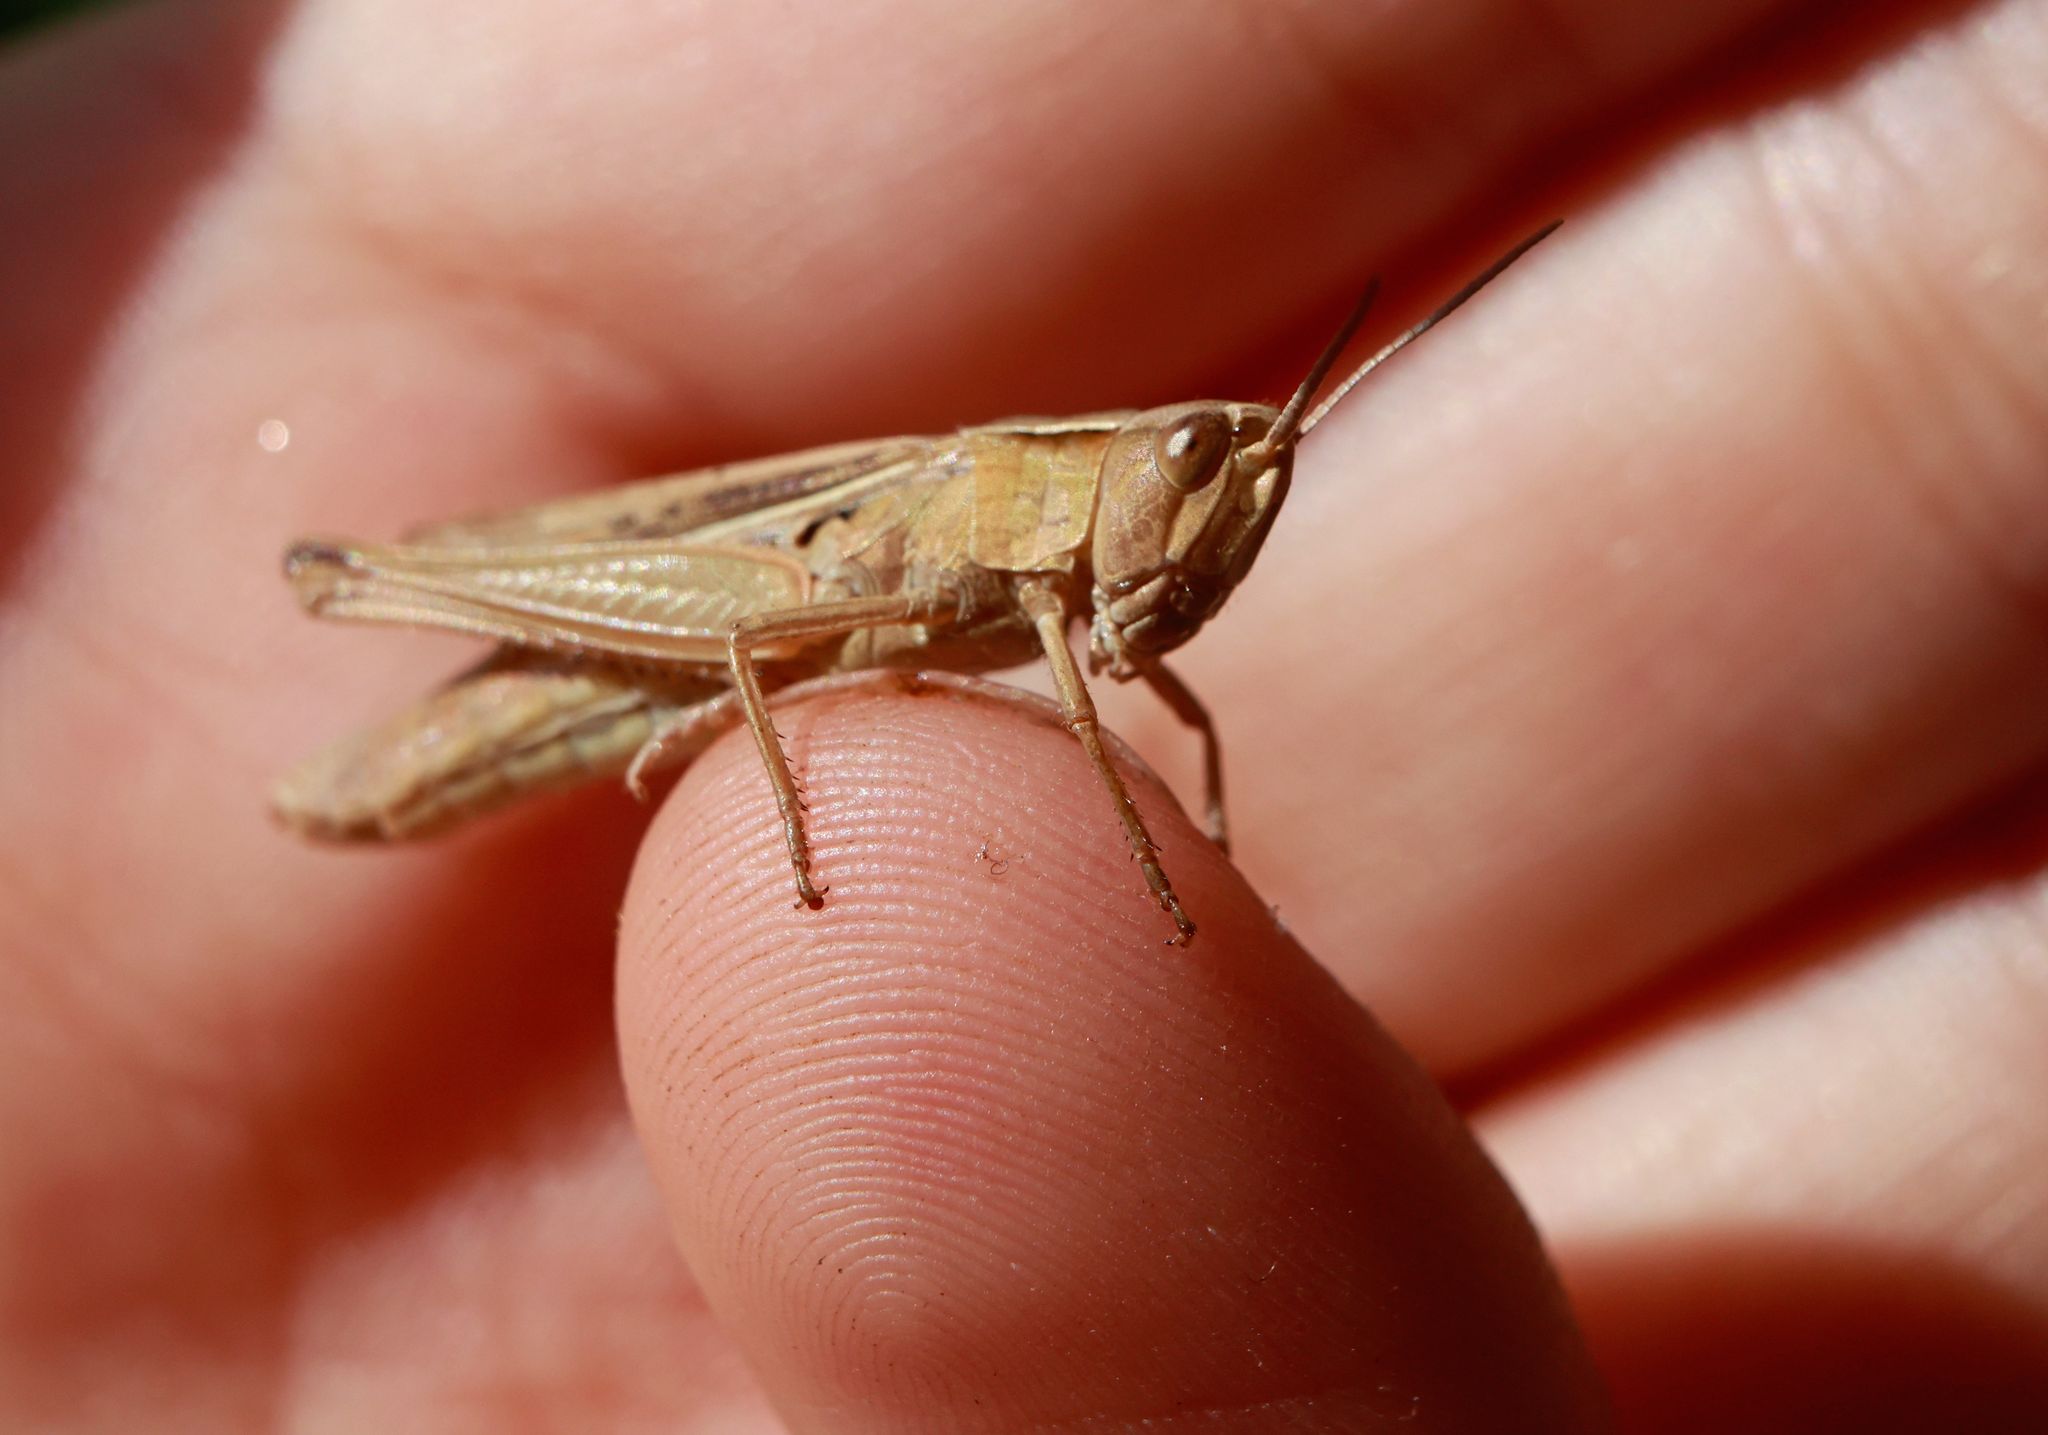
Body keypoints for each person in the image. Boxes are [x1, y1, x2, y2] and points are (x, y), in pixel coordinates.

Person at [2, 1, 2043, 1429]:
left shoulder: (1092, 585)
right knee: (764, 676)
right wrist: (944, 817)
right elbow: (812, 618)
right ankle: (407, 615)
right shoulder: (997, 515)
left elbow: (1142, 678)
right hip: (674, 596)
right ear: (1098, 459)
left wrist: (1192, 786)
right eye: (1200, 462)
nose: (1223, 503)